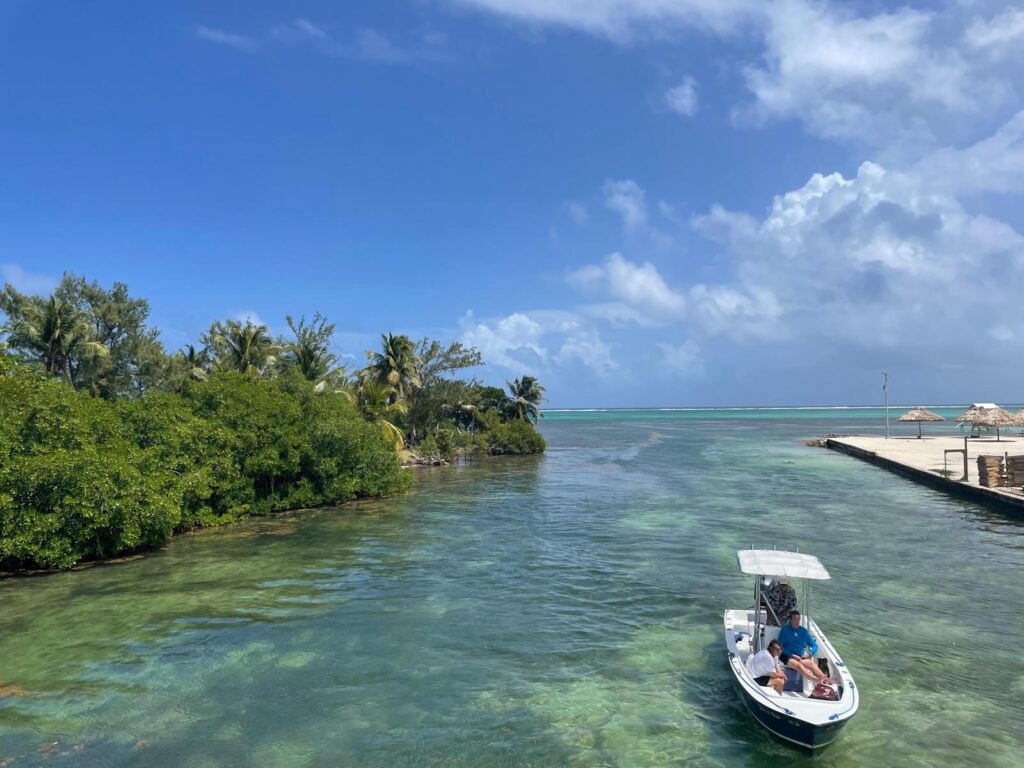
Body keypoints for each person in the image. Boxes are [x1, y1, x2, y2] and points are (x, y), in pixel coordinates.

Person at [777, 610, 829, 682]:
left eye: (798, 619)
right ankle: (816, 680)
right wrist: (792, 655)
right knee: (799, 666)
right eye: (794, 619)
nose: (797, 621)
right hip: (787, 655)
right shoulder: (785, 630)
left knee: (812, 664)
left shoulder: (804, 631)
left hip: (801, 657)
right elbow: (780, 647)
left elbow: (815, 646)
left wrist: (809, 654)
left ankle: (825, 680)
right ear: (790, 620)